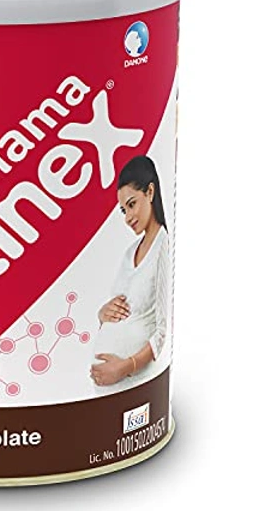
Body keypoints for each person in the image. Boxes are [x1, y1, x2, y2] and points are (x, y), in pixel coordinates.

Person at [90, 156, 170, 394]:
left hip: (136, 384)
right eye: (123, 210)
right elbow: (125, 309)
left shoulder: (163, 247)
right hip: (106, 389)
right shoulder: (129, 253)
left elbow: (163, 331)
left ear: (150, 192)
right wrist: (102, 314)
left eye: (132, 204)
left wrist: (125, 367)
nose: (127, 218)